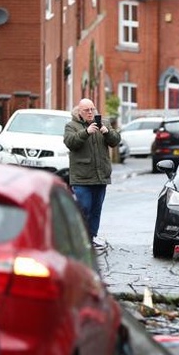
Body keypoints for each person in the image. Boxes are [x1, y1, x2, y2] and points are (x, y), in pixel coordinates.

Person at [64, 98, 121, 247]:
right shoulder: (71, 126)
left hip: (101, 176)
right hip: (82, 177)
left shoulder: (105, 123)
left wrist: (107, 132)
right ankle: (80, 239)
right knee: (84, 209)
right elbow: (70, 143)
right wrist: (86, 132)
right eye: (86, 110)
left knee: (96, 210)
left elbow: (115, 141)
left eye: (92, 109)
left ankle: (92, 237)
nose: (90, 113)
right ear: (79, 112)